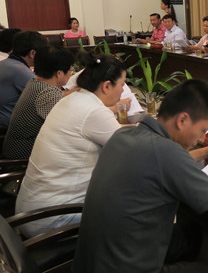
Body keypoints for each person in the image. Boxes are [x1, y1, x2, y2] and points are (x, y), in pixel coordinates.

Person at [72, 80, 208, 273]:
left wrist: (205, 152)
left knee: (194, 233)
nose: (202, 138)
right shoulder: (168, 153)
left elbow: (161, 164)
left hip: (94, 261)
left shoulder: (124, 135)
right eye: (203, 130)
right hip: (129, 265)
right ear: (182, 120)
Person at [15, 53, 126, 237]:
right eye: (122, 85)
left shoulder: (71, 99)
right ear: (106, 86)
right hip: (54, 220)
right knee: (135, 208)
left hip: (29, 212)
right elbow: (132, 152)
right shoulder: (94, 111)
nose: (123, 91)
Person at [3, 45, 76, 159]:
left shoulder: (35, 83)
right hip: (23, 156)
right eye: (71, 70)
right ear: (59, 73)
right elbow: (67, 127)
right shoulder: (48, 93)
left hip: (16, 148)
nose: (71, 73)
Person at [0, 31, 48, 128]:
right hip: (10, 127)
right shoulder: (19, 70)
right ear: (32, 53)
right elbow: (47, 98)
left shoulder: (5, 63)